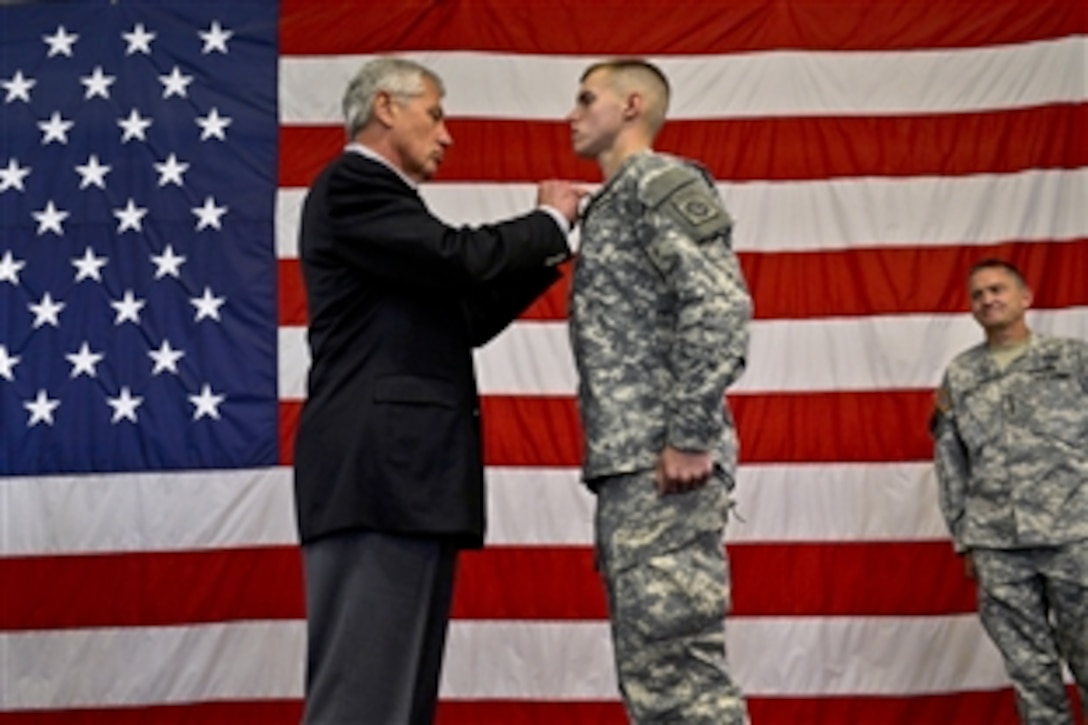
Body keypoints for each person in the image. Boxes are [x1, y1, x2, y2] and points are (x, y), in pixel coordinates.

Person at [292, 57, 584, 724]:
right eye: (436, 112)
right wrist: (543, 222)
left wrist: (553, 244)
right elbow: (456, 256)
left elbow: (467, 315)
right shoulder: (352, 186)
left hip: (406, 482)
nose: (447, 133)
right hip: (378, 479)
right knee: (364, 703)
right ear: (386, 108)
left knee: (396, 704)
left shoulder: (386, 211)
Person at [565, 59, 752, 724]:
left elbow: (721, 305)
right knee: (653, 677)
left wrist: (689, 433)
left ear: (632, 104)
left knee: (681, 681)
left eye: (588, 99)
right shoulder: (613, 204)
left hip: (666, 467)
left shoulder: (659, 182)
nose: (573, 113)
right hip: (633, 469)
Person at [932, 258, 1087, 725]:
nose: (988, 300)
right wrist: (965, 538)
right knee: (1030, 674)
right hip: (999, 545)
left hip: (1075, 535)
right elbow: (950, 462)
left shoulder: (1073, 360)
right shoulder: (960, 375)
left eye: (998, 289)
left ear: (1025, 298)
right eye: (978, 294)